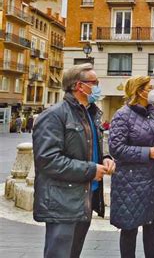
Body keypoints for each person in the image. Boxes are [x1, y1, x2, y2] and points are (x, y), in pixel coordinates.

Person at [32, 63, 116, 258]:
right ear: (79, 86)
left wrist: (105, 157)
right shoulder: (54, 115)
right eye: (95, 82)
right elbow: (48, 159)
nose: (98, 86)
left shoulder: (90, 113)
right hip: (62, 202)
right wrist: (90, 170)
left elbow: (91, 146)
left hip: (83, 198)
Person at [108, 76, 154, 258]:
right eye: (149, 87)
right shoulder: (122, 115)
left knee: (152, 227)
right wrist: (147, 153)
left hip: (152, 181)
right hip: (130, 183)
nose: (153, 91)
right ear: (139, 91)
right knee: (130, 229)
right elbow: (116, 149)